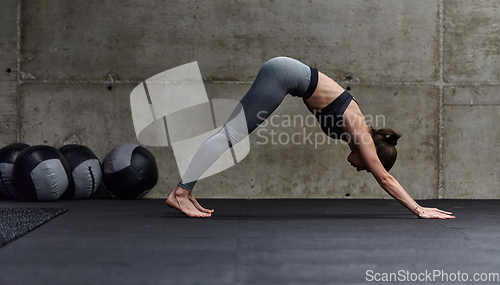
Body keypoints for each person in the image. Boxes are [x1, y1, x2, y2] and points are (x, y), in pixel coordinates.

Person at [166, 57, 454, 219]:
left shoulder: (358, 133)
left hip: (286, 75)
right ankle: (179, 193)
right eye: (364, 165)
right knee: (230, 135)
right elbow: (385, 179)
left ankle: (187, 192)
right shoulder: (361, 134)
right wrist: (419, 209)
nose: (358, 168)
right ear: (371, 155)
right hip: (282, 74)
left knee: (230, 135)